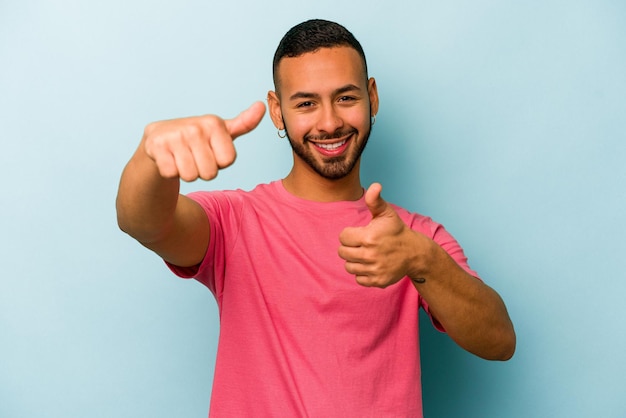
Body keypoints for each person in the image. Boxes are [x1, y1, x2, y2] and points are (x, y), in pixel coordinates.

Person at [116, 19, 515, 418]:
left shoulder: (413, 238)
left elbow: (499, 341)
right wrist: (150, 159)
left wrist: (422, 260)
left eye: (345, 98)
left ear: (372, 97)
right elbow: (145, 223)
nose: (329, 123)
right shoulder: (235, 221)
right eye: (306, 103)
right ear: (277, 110)